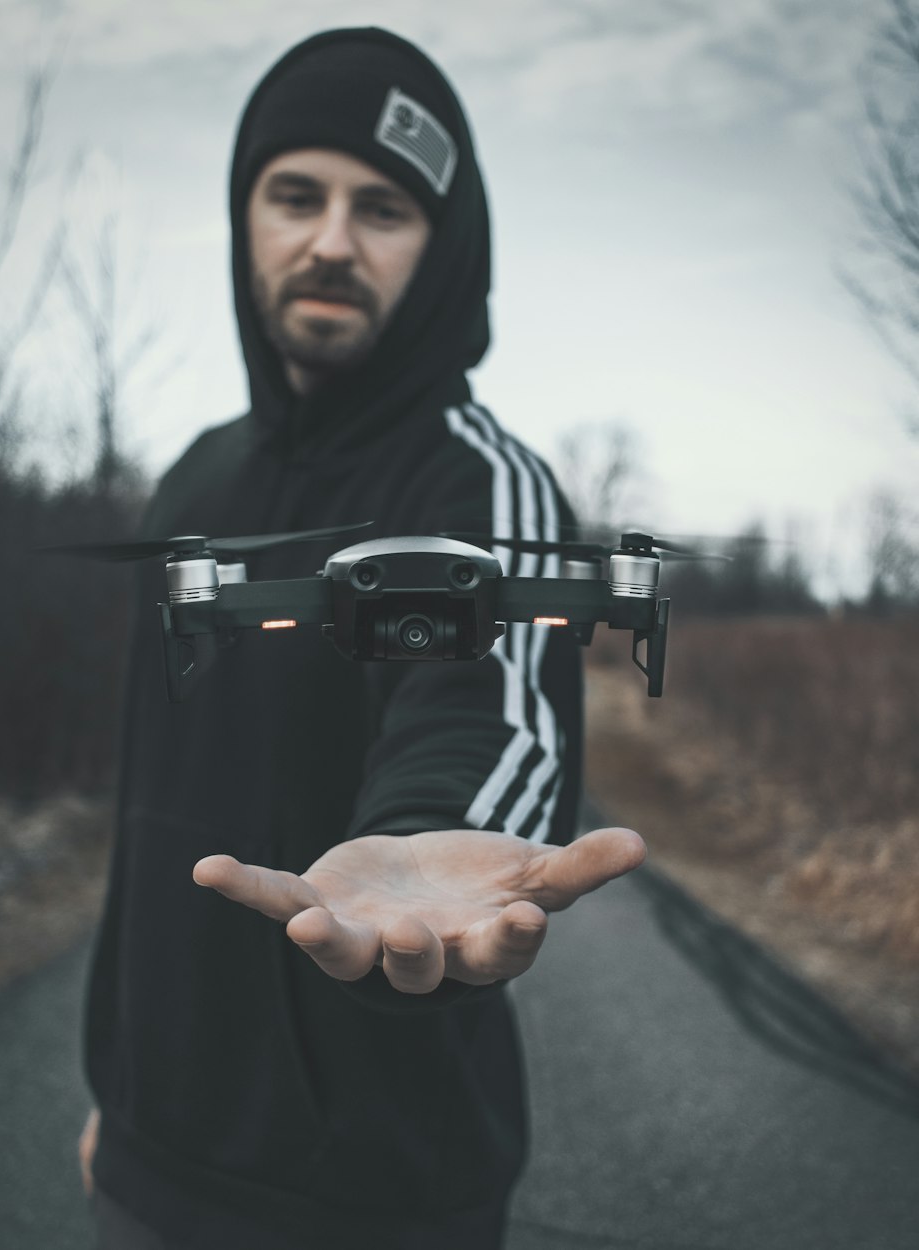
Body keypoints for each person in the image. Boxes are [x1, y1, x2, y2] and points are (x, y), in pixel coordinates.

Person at [79, 27, 645, 1250]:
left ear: (441, 253)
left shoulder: (477, 483)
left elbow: (482, 704)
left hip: (374, 1190)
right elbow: (154, 810)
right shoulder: (192, 481)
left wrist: (423, 834)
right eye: (296, 195)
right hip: (146, 1155)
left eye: (381, 208)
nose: (331, 239)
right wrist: (113, 1088)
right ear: (246, 222)